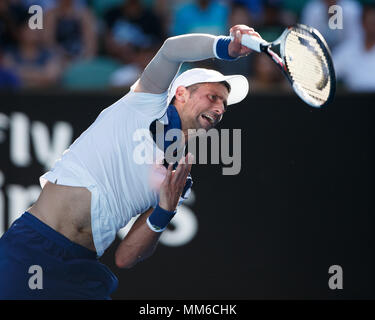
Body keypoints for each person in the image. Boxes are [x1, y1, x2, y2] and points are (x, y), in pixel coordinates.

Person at [0, 24, 258, 299]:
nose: (219, 109)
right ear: (181, 93)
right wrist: (226, 47)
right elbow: (172, 49)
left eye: (224, 105)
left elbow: (125, 257)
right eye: (213, 97)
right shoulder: (145, 102)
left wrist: (165, 210)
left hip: (81, 271)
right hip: (31, 249)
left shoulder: (178, 178)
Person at [332, 3, 375, 92]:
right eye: (371, 22)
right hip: (354, 103)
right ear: (362, 23)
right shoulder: (347, 49)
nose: (373, 26)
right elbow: (328, 74)